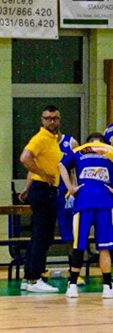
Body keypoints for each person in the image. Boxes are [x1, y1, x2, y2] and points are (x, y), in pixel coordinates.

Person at [60, 132, 113, 299]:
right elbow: (61, 165)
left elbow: (61, 165)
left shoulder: (79, 151)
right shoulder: (109, 151)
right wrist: (70, 188)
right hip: (99, 203)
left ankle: (74, 285)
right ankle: (106, 286)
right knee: (101, 246)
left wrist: (70, 188)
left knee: (82, 245)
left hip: (89, 202)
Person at [19, 105, 64, 293]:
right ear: (42, 120)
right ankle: (34, 278)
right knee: (42, 235)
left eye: (55, 118)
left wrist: (28, 186)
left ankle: (29, 276)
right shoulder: (41, 138)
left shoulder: (54, 139)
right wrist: (42, 174)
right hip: (43, 189)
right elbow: (25, 158)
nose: (51, 122)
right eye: (48, 118)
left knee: (40, 234)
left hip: (45, 189)